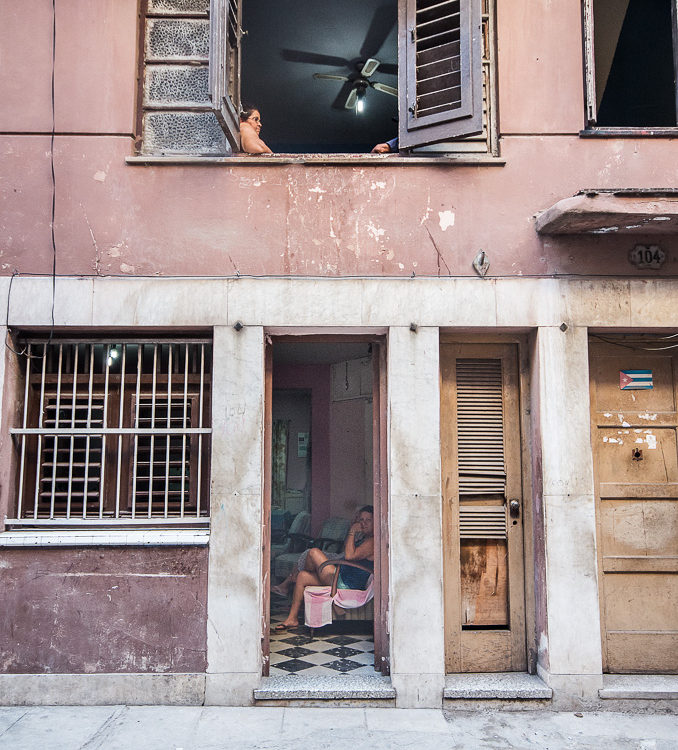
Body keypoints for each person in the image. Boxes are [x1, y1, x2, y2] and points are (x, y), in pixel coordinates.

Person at [274, 505, 375, 630]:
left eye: (368, 520)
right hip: (340, 575)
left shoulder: (372, 542)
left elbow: (349, 556)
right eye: (361, 520)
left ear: (375, 522)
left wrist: (352, 531)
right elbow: (346, 551)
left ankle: (293, 581)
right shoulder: (365, 538)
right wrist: (353, 532)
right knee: (302, 576)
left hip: (347, 583)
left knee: (313, 552)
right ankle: (292, 618)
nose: (363, 523)